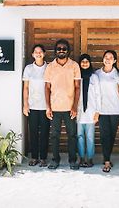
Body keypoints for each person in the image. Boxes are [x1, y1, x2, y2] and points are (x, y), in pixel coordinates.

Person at [44, 39, 81, 170]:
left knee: (72, 135)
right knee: (54, 136)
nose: (61, 50)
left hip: (70, 108)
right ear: (55, 51)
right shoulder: (50, 67)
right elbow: (47, 88)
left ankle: (72, 160)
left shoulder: (74, 66)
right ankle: (55, 160)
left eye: (64, 48)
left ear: (68, 51)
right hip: (54, 108)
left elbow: (77, 87)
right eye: (59, 48)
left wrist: (75, 106)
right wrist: (48, 107)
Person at [95, 50, 119, 173]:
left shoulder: (118, 74)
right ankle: (107, 161)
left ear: (114, 61)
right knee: (104, 135)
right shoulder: (97, 74)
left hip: (115, 109)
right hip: (102, 109)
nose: (108, 59)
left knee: (112, 135)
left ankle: (106, 156)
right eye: (106, 57)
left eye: (110, 57)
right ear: (103, 59)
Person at [23, 44, 50, 167]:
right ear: (32, 54)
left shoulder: (49, 68)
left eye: (40, 52)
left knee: (44, 132)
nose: (38, 54)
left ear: (44, 53)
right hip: (33, 106)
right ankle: (34, 157)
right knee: (33, 132)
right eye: (36, 52)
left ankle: (43, 158)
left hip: (46, 106)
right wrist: (25, 105)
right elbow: (26, 88)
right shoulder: (28, 68)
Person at [77, 54, 101, 168]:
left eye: (87, 61)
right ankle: (81, 158)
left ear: (90, 63)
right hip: (79, 112)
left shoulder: (94, 77)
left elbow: (98, 95)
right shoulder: (76, 76)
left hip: (91, 112)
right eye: (82, 61)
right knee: (80, 136)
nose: (85, 63)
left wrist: (97, 112)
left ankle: (90, 158)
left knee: (90, 137)